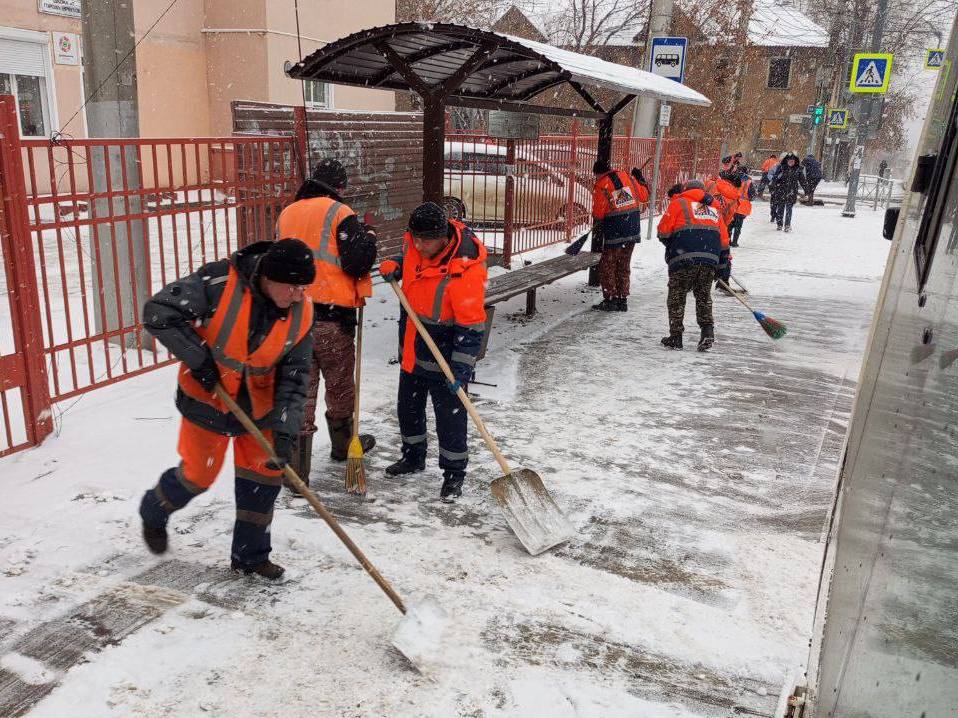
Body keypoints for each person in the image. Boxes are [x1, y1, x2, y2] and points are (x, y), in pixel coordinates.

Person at [138, 239, 316, 580]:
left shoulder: (303, 313)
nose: (298, 295)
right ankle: (155, 508)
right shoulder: (219, 283)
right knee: (197, 476)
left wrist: (283, 429)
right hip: (208, 401)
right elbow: (158, 312)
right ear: (269, 277)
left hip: (259, 410)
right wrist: (198, 358)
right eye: (292, 286)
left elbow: (296, 377)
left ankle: (250, 557)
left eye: (303, 287)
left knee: (263, 482)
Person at [276, 158, 377, 487]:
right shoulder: (340, 213)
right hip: (332, 316)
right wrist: (370, 239)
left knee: (301, 392)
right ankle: (342, 447)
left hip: (293, 317)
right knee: (339, 385)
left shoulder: (287, 213)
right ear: (340, 187)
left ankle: (296, 471)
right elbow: (357, 262)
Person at [379, 202, 488, 502]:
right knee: (408, 409)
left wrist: (461, 369)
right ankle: (413, 457)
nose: (418, 244)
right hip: (414, 347)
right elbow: (410, 259)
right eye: (415, 237)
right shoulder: (416, 244)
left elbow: (472, 326)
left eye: (425, 240)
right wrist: (397, 264)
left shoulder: (464, 270)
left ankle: (454, 474)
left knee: (450, 420)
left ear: (443, 237)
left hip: (447, 355)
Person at [657, 181, 723, 352]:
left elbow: (663, 231)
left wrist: (673, 245)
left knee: (677, 297)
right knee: (703, 296)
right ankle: (707, 331)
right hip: (709, 259)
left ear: (686, 190)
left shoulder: (679, 203)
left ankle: (676, 337)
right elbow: (723, 239)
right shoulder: (714, 207)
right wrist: (722, 265)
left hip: (684, 257)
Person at [589, 159, 649, 312]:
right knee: (623, 264)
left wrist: (598, 222)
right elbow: (644, 196)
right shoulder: (628, 177)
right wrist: (640, 180)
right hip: (633, 228)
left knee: (608, 265)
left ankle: (610, 299)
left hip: (616, 229)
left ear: (598, 173)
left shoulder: (602, 184)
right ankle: (622, 299)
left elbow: (598, 213)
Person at [769, 152, 808, 232]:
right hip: (781, 190)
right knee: (780, 208)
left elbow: (802, 180)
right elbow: (775, 178)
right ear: (786, 161)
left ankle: (787, 225)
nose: (791, 162)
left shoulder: (798, 169)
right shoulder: (781, 168)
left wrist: (806, 190)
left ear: (795, 161)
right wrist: (773, 186)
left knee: (789, 209)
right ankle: (779, 224)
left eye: (792, 161)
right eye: (789, 161)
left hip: (792, 191)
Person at [728, 166, 754, 248]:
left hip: (732, 204)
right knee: (738, 226)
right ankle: (735, 242)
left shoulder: (731, 179)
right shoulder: (749, 182)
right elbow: (752, 195)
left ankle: (728, 241)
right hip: (742, 207)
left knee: (729, 224)